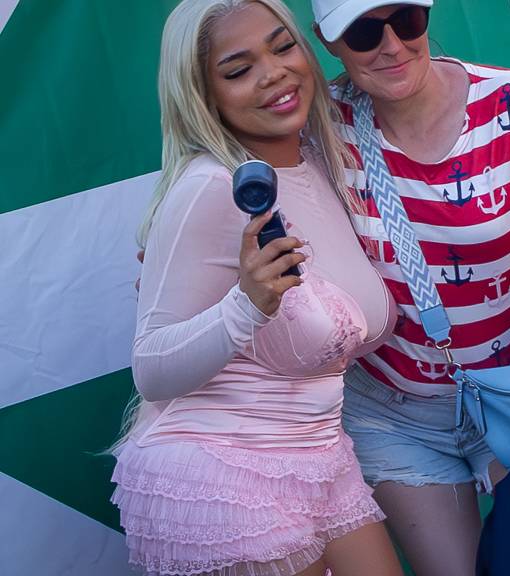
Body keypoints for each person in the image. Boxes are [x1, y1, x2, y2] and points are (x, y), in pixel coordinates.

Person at [309, 1, 510, 573]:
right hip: (393, 412)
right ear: (329, 42)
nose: (392, 45)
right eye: (364, 32)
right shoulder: (318, 127)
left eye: (407, 20)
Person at [111, 1, 403, 575]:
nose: (273, 73)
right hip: (220, 475)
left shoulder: (319, 161)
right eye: (239, 69)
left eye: (283, 46)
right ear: (204, 96)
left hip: (322, 458)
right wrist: (246, 305)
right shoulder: (209, 186)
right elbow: (151, 367)